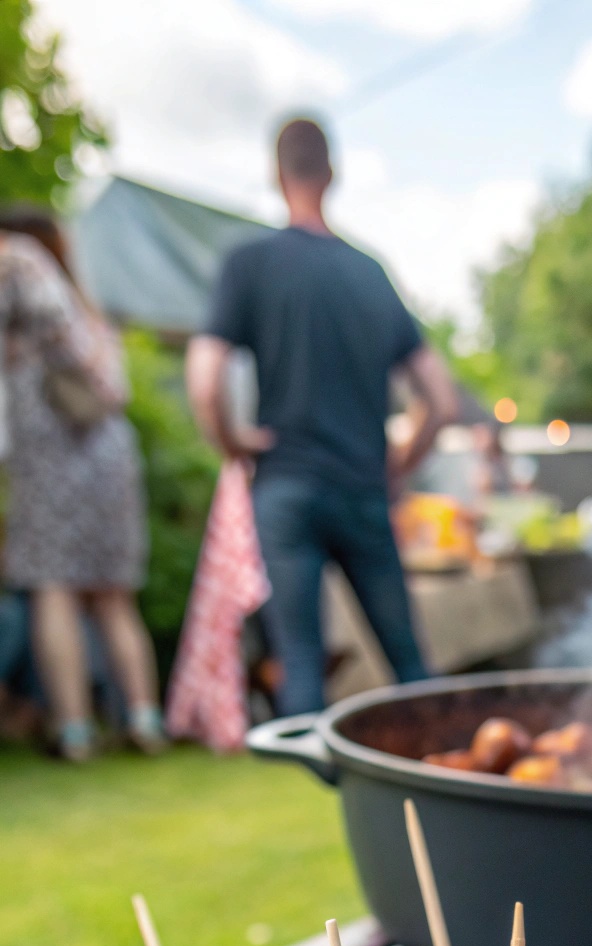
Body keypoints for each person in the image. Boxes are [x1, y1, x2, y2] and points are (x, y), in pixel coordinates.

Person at [186, 118, 458, 715]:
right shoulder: (369, 273)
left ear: (276, 175)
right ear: (331, 174)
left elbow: (205, 380)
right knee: (408, 659)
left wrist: (232, 441)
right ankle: (446, 777)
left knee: (301, 658)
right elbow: (440, 401)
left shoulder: (250, 263)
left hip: (286, 484)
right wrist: (399, 462)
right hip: (362, 486)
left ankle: (314, 789)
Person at [0, 209, 162, 761]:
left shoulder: (16, 262)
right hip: (107, 454)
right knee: (114, 595)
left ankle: (74, 731)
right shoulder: (83, 301)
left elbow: (79, 364)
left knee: (54, 588)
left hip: (52, 451)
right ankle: (143, 717)